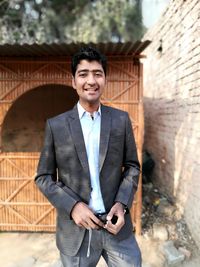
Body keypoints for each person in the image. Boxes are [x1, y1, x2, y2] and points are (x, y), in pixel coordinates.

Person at [35, 46, 142, 267]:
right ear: (74, 81)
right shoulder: (56, 125)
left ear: (105, 79)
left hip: (116, 228)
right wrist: (73, 206)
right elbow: (43, 177)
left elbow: (132, 166)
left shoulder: (120, 120)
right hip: (76, 232)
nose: (91, 80)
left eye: (98, 73)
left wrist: (122, 203)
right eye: (83, 74)